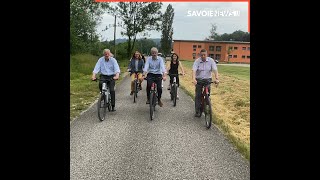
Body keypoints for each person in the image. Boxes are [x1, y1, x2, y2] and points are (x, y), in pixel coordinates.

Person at [192, 49, 219, 117]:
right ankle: (197, 110)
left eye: (204, 55)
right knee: (198, 95)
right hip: (199, 80)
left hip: (207, 80)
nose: (203, 56)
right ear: (200, 55)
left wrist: (216, 78)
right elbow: (194, 70)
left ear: (207, 55)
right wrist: (194, 79)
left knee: (207, 94)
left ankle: (207, 104)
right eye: (202, 55)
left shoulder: (211, 61)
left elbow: (215, 70)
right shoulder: (197, 61)